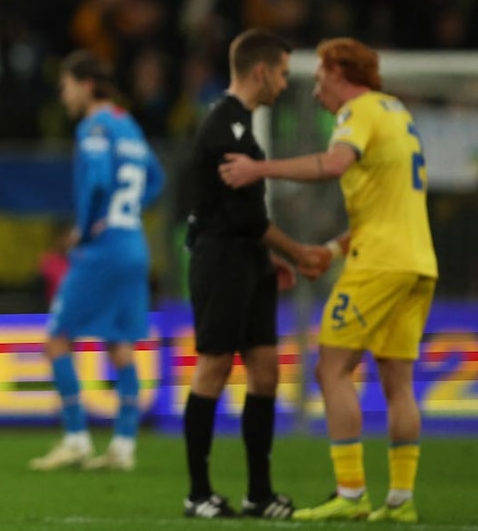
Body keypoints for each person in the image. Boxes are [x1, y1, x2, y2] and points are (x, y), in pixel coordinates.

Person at [219, 37, 437, 523]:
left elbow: (332, 163)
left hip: (378, 264)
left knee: (331, 369)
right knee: (398, 381)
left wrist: (260, 169)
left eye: (319, 77)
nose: (315, 90)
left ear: (340, 71)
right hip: (418, 262)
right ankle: (401, 502)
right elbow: (387, 207)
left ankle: (352, 493)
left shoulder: (357, 111)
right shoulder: (396, 111)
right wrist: (333, 249)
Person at [182, 29, 330, 519]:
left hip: (248, 261)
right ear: (262, 71)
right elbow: (243, 216)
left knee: (265, 371)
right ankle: (198, 492)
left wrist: (271, 260)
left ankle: (259, 493)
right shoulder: (224, 126)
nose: (286, 84)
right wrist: (298, 251)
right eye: (284, 74)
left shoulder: (243, 126)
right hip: (221, 258)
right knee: (215, 366)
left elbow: (248, 217)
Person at [23, 51, 164, 473]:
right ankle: (122, 447)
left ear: (86, 84)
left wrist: (85, 228)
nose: (64, 97)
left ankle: (76, 439)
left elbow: (99, 179)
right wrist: (128, 211)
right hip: (134, 245)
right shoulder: (128, 125)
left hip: (102, 251)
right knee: (121, 347)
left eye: (66, 87)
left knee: (56, 340)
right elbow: (157, 178)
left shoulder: (94, 127)